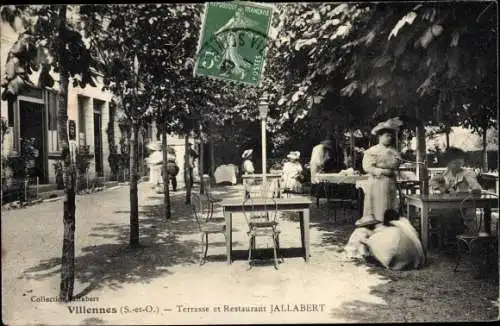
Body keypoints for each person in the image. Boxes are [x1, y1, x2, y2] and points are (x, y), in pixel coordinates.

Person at [429, 147, 483, 243]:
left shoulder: (467, 173)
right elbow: (438, 187)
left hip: (463, 207)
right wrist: (441, 187)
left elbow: (477, 189)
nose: (458, 165)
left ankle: (451, 240)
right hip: (449, 206)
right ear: (448, 163)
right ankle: (437, 238)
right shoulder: (446, 174)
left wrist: (472, 189)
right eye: (454, 162)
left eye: (460, 162)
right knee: (433, 212)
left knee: (446, 214)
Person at [362, 117, 403, 222]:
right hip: (377, 182)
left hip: (390, 182)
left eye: (391, 136)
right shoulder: (372, 150)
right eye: (387, 136)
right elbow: (367, 167)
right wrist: (383, 171)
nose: (389, 138)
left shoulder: (393, 151)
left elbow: (396, 164)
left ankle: (389, 225)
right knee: (378, 206)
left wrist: (397, 163)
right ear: (380, 137)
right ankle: (378, 225)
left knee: (391, 205)